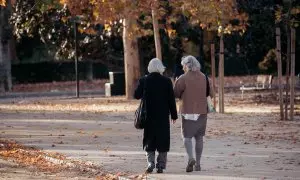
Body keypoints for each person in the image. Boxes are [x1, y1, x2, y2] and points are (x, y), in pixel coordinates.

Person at [134, 58, 178, 174]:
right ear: (161, 68)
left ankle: (150, 163)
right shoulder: (167, 81)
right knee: (163, 140)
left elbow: (136, 95)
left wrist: (141, 86)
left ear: (149, 67)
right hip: (162, 116)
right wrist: (174, 115)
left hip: (148, 115)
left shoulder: (144, 80)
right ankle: (161, 166)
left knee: (149, 139)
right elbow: (171, 100)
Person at [174, 55, 214, 172]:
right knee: (199, 137)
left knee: (186, 137)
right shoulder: (205, 78)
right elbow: (211, 94)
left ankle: (191, 158)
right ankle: (198, 164)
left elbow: (175, 93)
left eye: (183, 66)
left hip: (188, 111)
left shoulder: (183, 78)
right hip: (202, 111)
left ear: (187, 65)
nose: (183, 68)